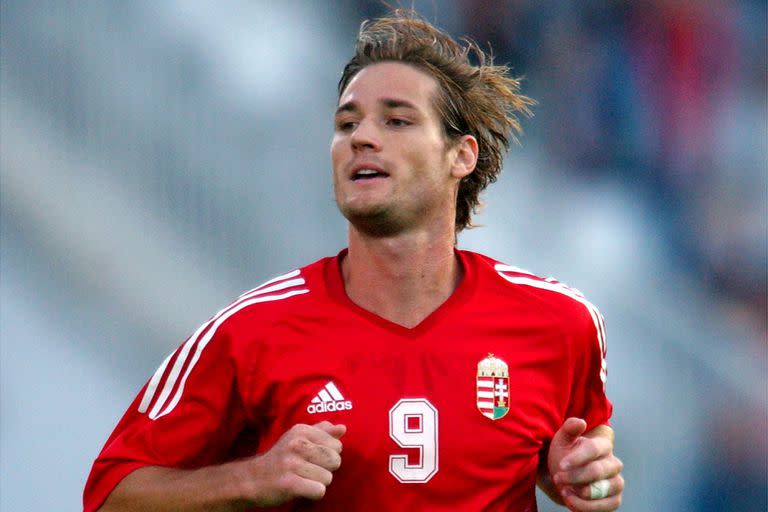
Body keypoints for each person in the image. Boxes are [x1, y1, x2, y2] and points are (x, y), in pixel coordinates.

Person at [84, 10, 624, 512]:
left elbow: (587, 444)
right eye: (347, 124)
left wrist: (583, 477)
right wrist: (251, 479)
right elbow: (109, 493)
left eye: (396, 121)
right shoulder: (253, 331)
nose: (361, 137)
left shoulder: (561, 323)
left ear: (461, 155)